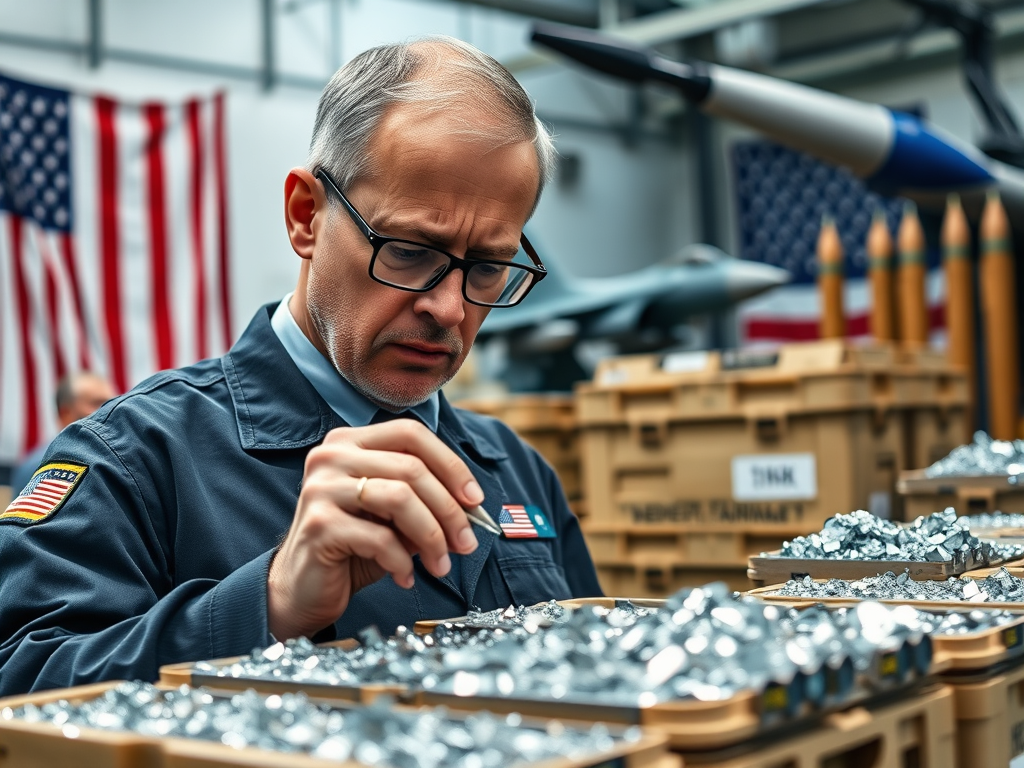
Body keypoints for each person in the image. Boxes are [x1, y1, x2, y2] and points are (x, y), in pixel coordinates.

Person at [0, 37, 601, 695]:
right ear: (305, 215)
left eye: (488, 268)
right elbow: (20, 679)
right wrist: (266, 603)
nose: (449, 309)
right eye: (407, 251)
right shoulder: (136, 459)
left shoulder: (517, 472)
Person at [10, 371, 115, 494]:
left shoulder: (114, 456)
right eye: (97, 403)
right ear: (66, 414)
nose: (108, 409)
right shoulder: (39, 465)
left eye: (111, 402)